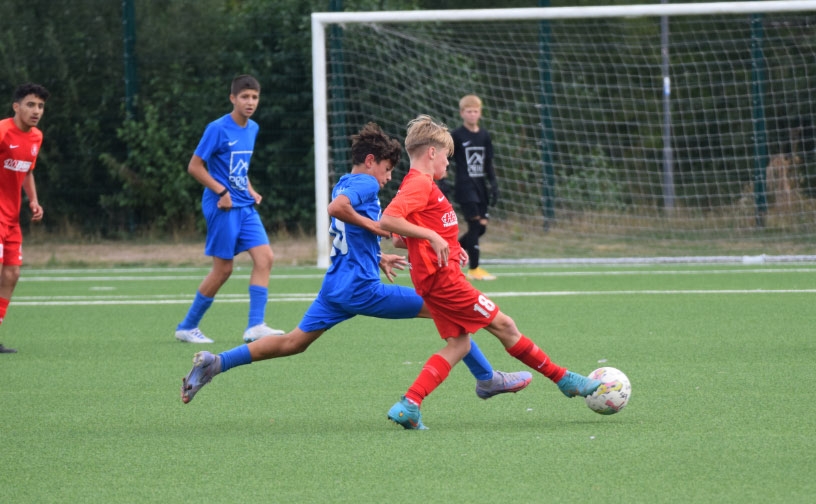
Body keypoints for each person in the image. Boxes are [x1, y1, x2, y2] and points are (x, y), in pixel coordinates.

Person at [181, 122, 531, 404]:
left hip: (337, 286)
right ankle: (488, 379)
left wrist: (377, 254)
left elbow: (345, 228)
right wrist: (376, 228)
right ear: (369, 160)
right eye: (387, 168)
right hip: (362, 289)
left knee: (293, 343)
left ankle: (217, 363)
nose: (388, 176)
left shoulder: (347, 182)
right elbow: (337, 211)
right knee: (450, 309)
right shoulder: (363, 183)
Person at [380, 115, 601, 430]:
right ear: (431, 153)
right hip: (445, 282)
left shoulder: (423, 185)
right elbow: (389, 220)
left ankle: (410, 403)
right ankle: (563, 379)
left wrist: (451, 247)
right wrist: (434, 238)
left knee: (459, 344)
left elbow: (404, 238)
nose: (448, 162)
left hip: (435, 280)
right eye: (447, 156)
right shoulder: (419, 183)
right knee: (506, 326)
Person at [175, 74, 284, 345]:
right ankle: (187, 327)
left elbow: (238, 168)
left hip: (244, 205)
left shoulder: (253, 128)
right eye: (244, 97)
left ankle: (255, 326)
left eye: (254, 97)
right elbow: (195, 166)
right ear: (232, 98)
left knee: (265, 258)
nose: (250, 102)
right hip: (222, 206)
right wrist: (221, 192)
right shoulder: (218, 128)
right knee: (223, 270)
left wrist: (249, 188)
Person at [0, 83, 49, 354]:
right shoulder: (2, 131)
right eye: (30, 104)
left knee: (12, 273)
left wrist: (33, 200)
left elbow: (28, 171)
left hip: (11, 218)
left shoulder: (36, 137)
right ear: (16, 106)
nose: (36, 111)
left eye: (40, 106)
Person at [450, 94, 499, 281]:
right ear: (462, 113)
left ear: (480, 113)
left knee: (481, 228)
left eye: (475, 111)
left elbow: (488, 163)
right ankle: (474, 268)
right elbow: (446, 160)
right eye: (468, 111)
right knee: (474, 225)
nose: (472, 115)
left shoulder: (484, 135)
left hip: (480, 187)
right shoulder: (456, 135)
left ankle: (450, 250)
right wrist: (444, 181)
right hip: (465, 186)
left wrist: (493, 183)